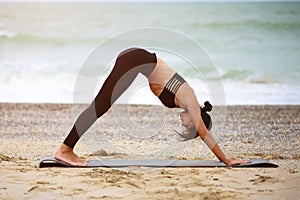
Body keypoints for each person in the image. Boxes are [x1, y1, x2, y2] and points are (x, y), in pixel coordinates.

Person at [54, 48, 248, 167]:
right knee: (100, 106)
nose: (184, 124)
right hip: (136, 60)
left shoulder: (185, 100)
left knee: (101, 106)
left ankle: (66, 148)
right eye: (189, 126)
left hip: (136, 60)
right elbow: (205, 134)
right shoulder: (191, 100)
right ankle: (65, 150)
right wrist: (226, 159)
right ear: (196, 119)